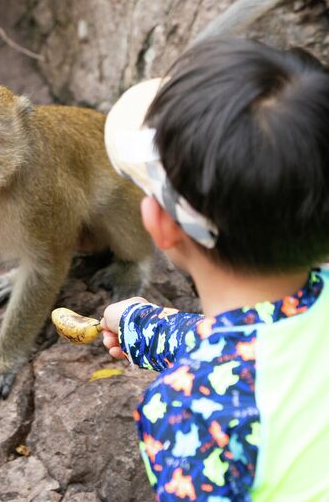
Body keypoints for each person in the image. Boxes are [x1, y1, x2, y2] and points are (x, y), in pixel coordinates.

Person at [99, 37, 329, 501]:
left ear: (159, 225)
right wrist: (148, 330)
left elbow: (239, 366)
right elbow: (267, 339)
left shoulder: (191, 411)